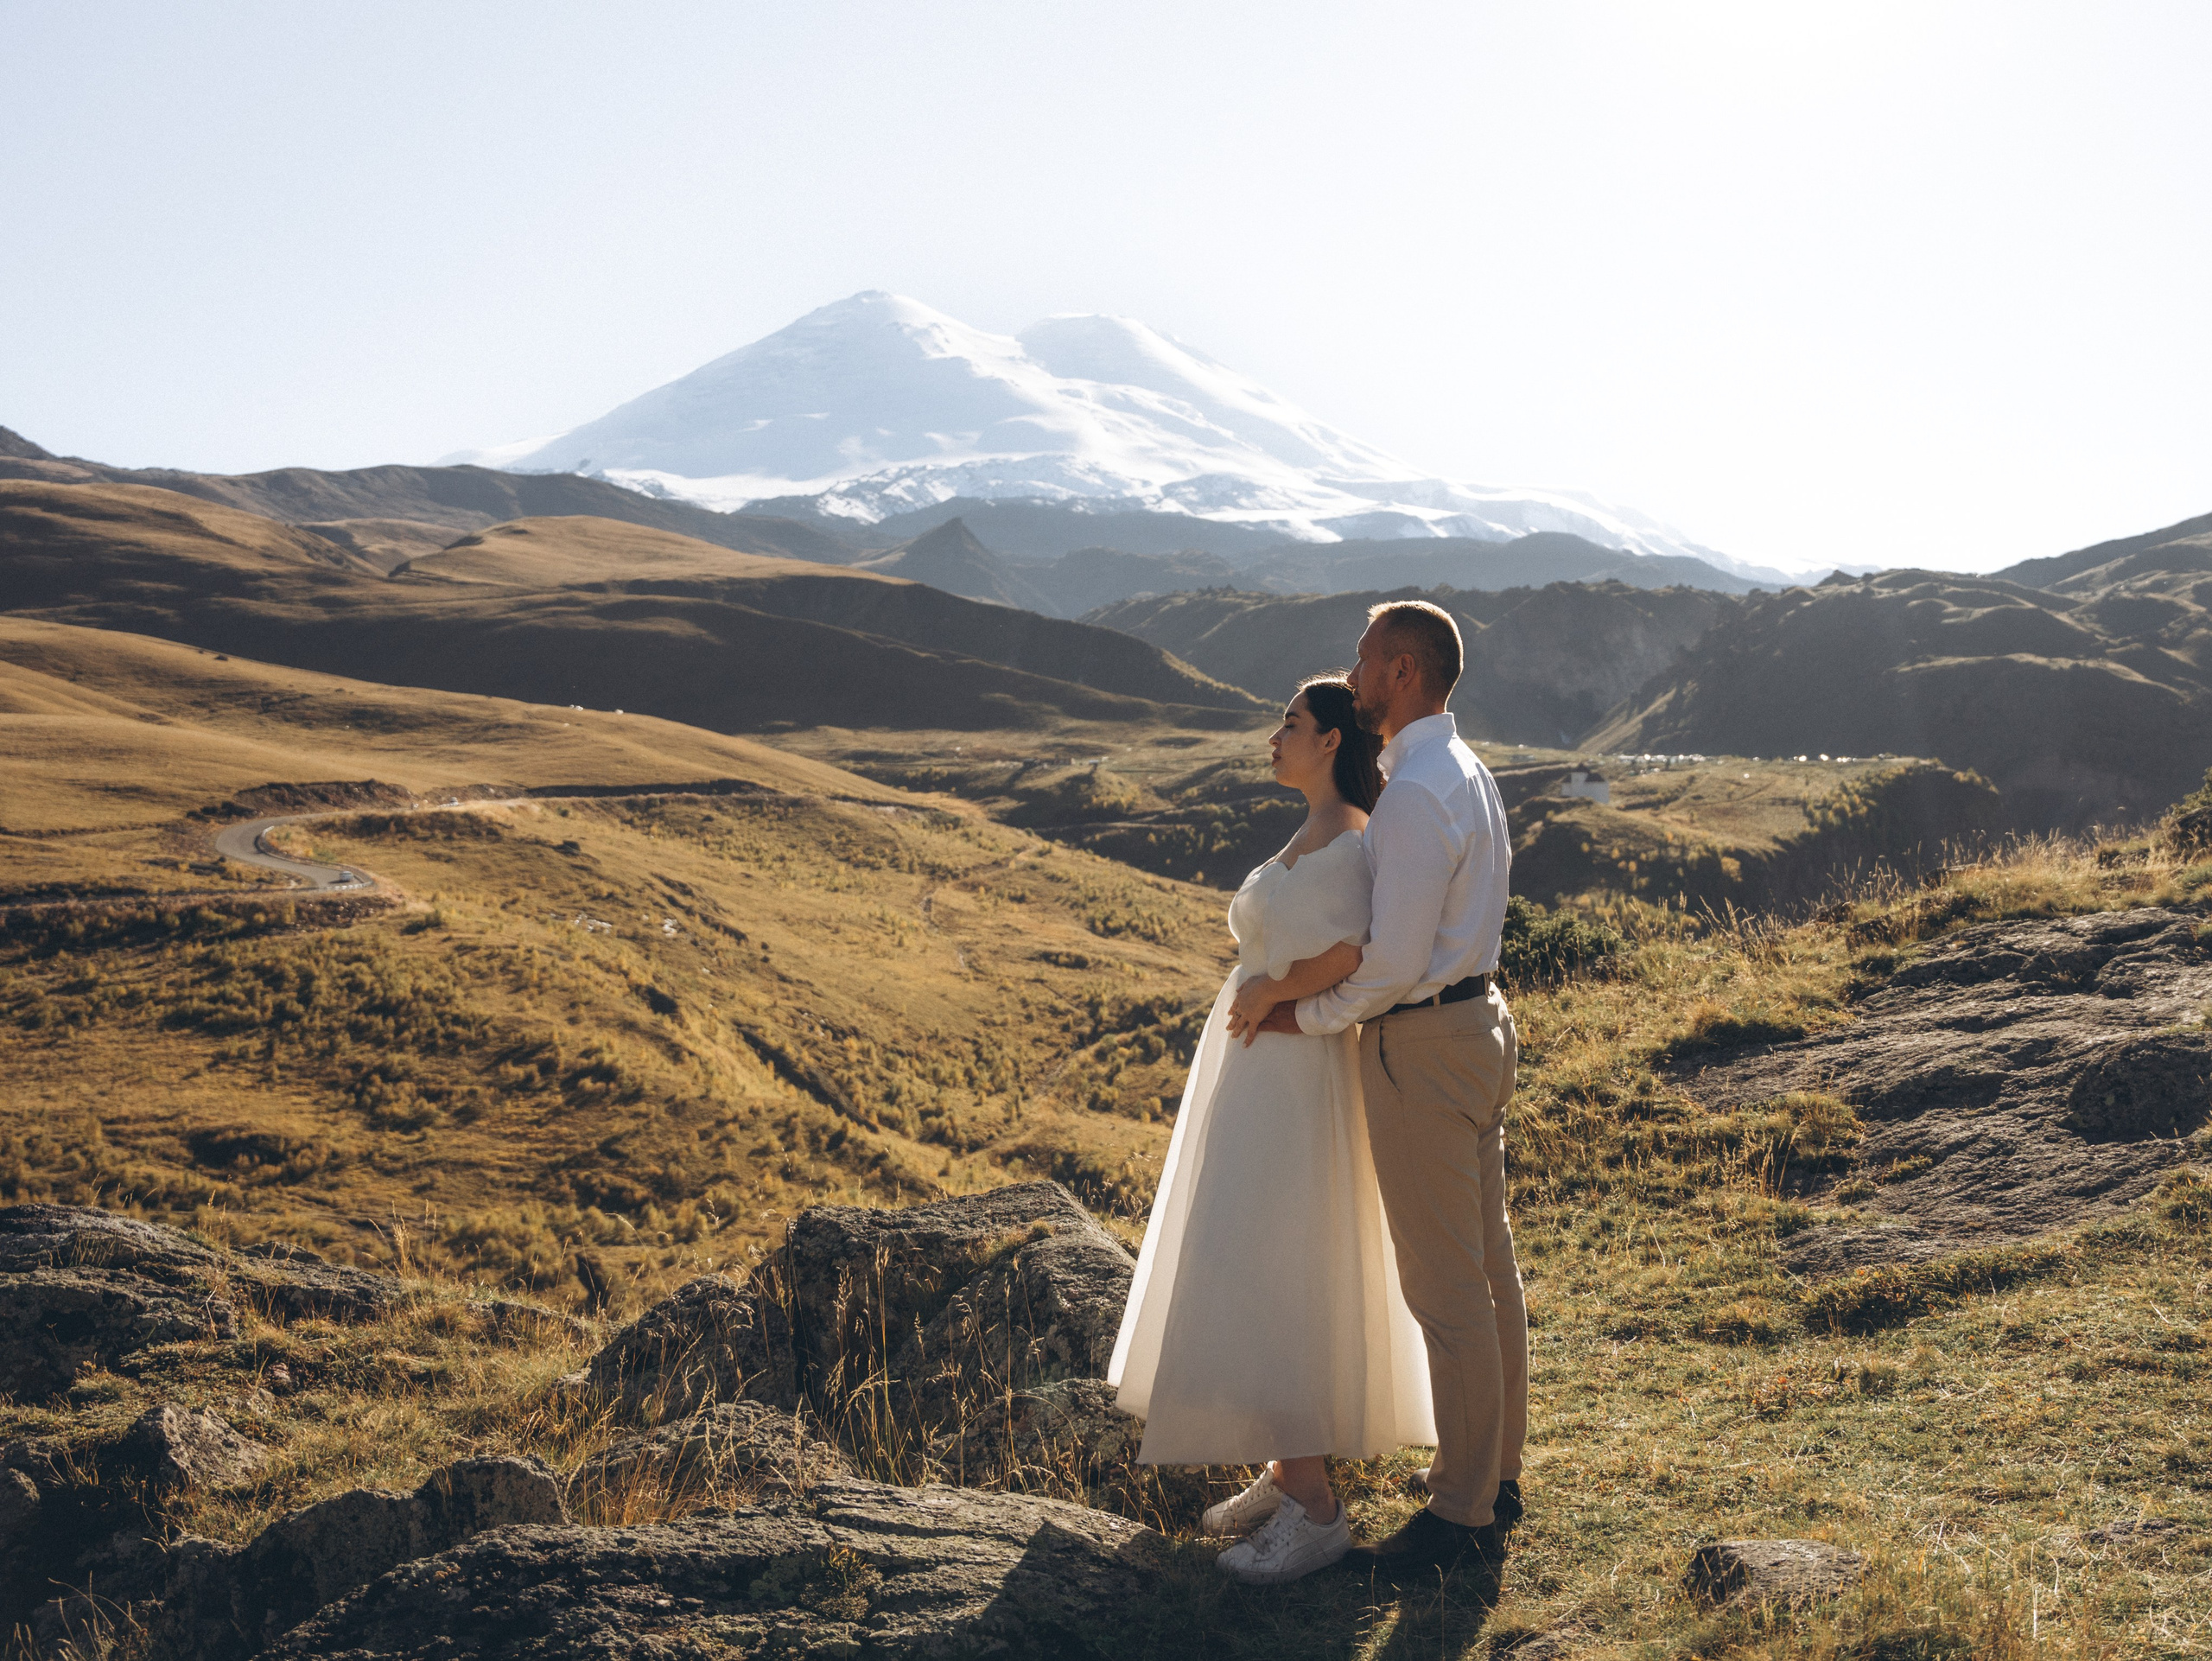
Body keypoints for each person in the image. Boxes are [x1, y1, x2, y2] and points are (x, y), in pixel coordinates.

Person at [1108, 675, 1435, 1587]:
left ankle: (1316, 1510)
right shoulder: (1309, 832)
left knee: (1277, 1258)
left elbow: (1355, 951)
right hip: (1257, 1068)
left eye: (1289, 723)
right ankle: (1289, 1471)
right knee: (1247, 1252)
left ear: (1330, 739)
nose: (1273, 736)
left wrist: (1274, 990)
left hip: (1297, 1072)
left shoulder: (1355, 840)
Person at [1246, 598, 1527, 1584]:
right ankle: (1496, 1474)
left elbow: (1392, 962)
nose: (1354, 672)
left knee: (1447, 1291)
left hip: (1425, 1042)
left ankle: (1460, 1513)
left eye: (1366, 658)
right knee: (1488, 1271)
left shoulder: (1411, 794)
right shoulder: (1467, 770)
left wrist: (1304, 1015)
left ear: (1403, 671)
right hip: (1480, 1023)